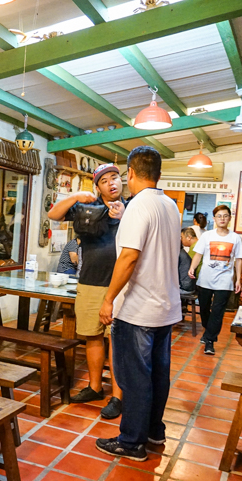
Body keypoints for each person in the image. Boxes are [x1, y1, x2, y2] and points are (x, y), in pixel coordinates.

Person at [94, 145, 181, 460]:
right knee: (157, 373)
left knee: (133, 376)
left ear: (130, 173)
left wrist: (108, 300)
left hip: (139, 308)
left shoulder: (138, 207)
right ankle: (154, 433)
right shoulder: (170, 205)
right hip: (165, 306)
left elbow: (129, 256)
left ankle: (131, 442)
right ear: (158, 173)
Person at [48, 163, 126, 419]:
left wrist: (124, 216)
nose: (112, 183)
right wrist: (75, 196)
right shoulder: (87, 208)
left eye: (115, 178)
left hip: (121, 285)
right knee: (92, 336)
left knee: (116, 340)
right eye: (105, 181)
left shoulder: (133, 207)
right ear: (98, 187)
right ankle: (94, 387)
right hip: (90, 281)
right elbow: (53, 214)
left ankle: (118, 396)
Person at [188, 204, 242, 355]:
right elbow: (198, 254)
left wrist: (238, 279)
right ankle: (208, 331)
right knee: (204, 308)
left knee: (218, 312)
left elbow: (238, 259)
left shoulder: (235, 238)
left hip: (224, 281)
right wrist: (192, 268)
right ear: (214, 219)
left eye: (225, 216)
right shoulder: (207, 236)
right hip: (205, 279)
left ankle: (210, 341)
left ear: (229, 218)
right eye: (219, 216)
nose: (222, 219)